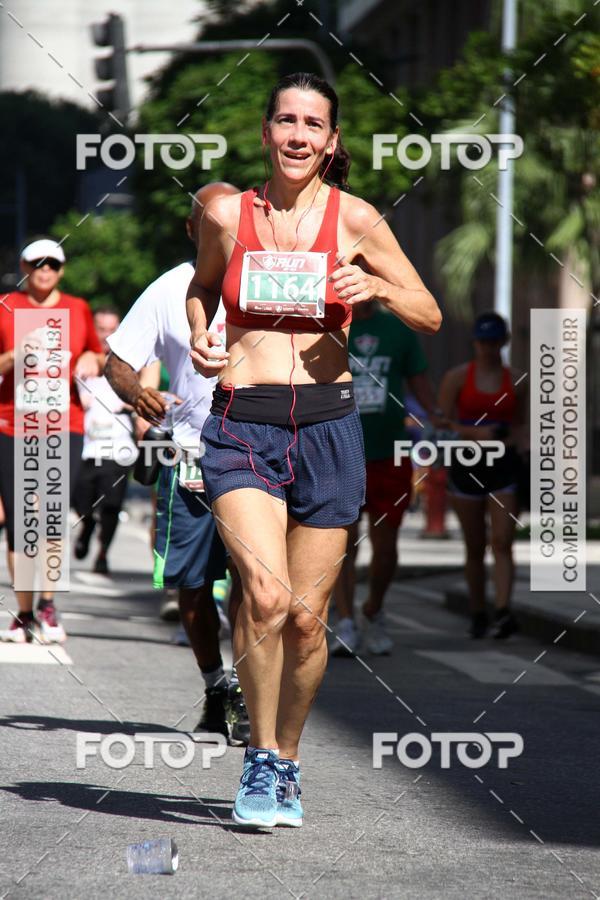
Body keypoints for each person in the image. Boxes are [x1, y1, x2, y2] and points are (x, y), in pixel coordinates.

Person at [187, 72, 441, 828]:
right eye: (286, 121)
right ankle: (259, 757)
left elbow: (428, 312)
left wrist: (376, 289)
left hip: (330, 428)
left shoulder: (356, 217)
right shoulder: (227, 214)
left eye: (313, 125)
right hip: (243, 421)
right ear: (266, 131)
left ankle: (289, 759)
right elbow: (203, 288)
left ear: (331, 142)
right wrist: (202, 333)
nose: (298, 135)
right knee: (263, 596)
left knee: (306, 617)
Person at [105, 182, 249, 744]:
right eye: (211, 222)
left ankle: (247, 688)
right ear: (193, 230)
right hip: (188, 456)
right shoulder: (167, 289)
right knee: (191, 588)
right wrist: (136, 393)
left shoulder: (265, 281)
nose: (223, 231)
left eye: (232, 220)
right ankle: (216, 684)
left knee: (254, 581)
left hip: (256, 453)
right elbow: (119, 361)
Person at [0, 239, 104, 644]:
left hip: (64, 425)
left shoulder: (78, 308)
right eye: (37, 263)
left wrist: (91, 359)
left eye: (53, 264)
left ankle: (47, 604)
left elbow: (97, 354)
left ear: (62, 270)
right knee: (22, 521)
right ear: (25, 266)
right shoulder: (7, 305)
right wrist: (14, 355)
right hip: (14, 425)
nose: (45, 270)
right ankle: (24, 613)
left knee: (52, 516)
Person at [331, 299, 438, 656]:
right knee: (341, 543)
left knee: (386, 546)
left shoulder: (397, 329)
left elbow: (418, 380)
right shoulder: (333, 325)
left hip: (390, 452)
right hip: (341, 449)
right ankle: (345, 621)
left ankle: (373, 610)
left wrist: (436, 417)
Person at [438, 312, 526, 639]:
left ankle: (503, 611)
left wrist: (517, 442)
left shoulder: (517, 380)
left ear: (504, 342)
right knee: (475, 545)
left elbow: (521, 424)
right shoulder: (457, 378)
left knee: (502, 541)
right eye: (483, 342)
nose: (488, 348)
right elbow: (440, 424)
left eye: (494, 342)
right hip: (467, 464)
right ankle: (478, 611)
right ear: (475, 343)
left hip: (503, 466)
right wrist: (475, 434)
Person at [73, 307, 137, 575]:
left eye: (112, 330)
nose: (106, 335)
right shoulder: (80, 360)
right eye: (101, 329)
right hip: (84, 447)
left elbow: (146, 392)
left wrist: (131, 405)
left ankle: (103, 554)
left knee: (111, 505)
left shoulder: (131, 362)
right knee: (80, 501)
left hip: (118, 447)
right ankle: (87, 524)